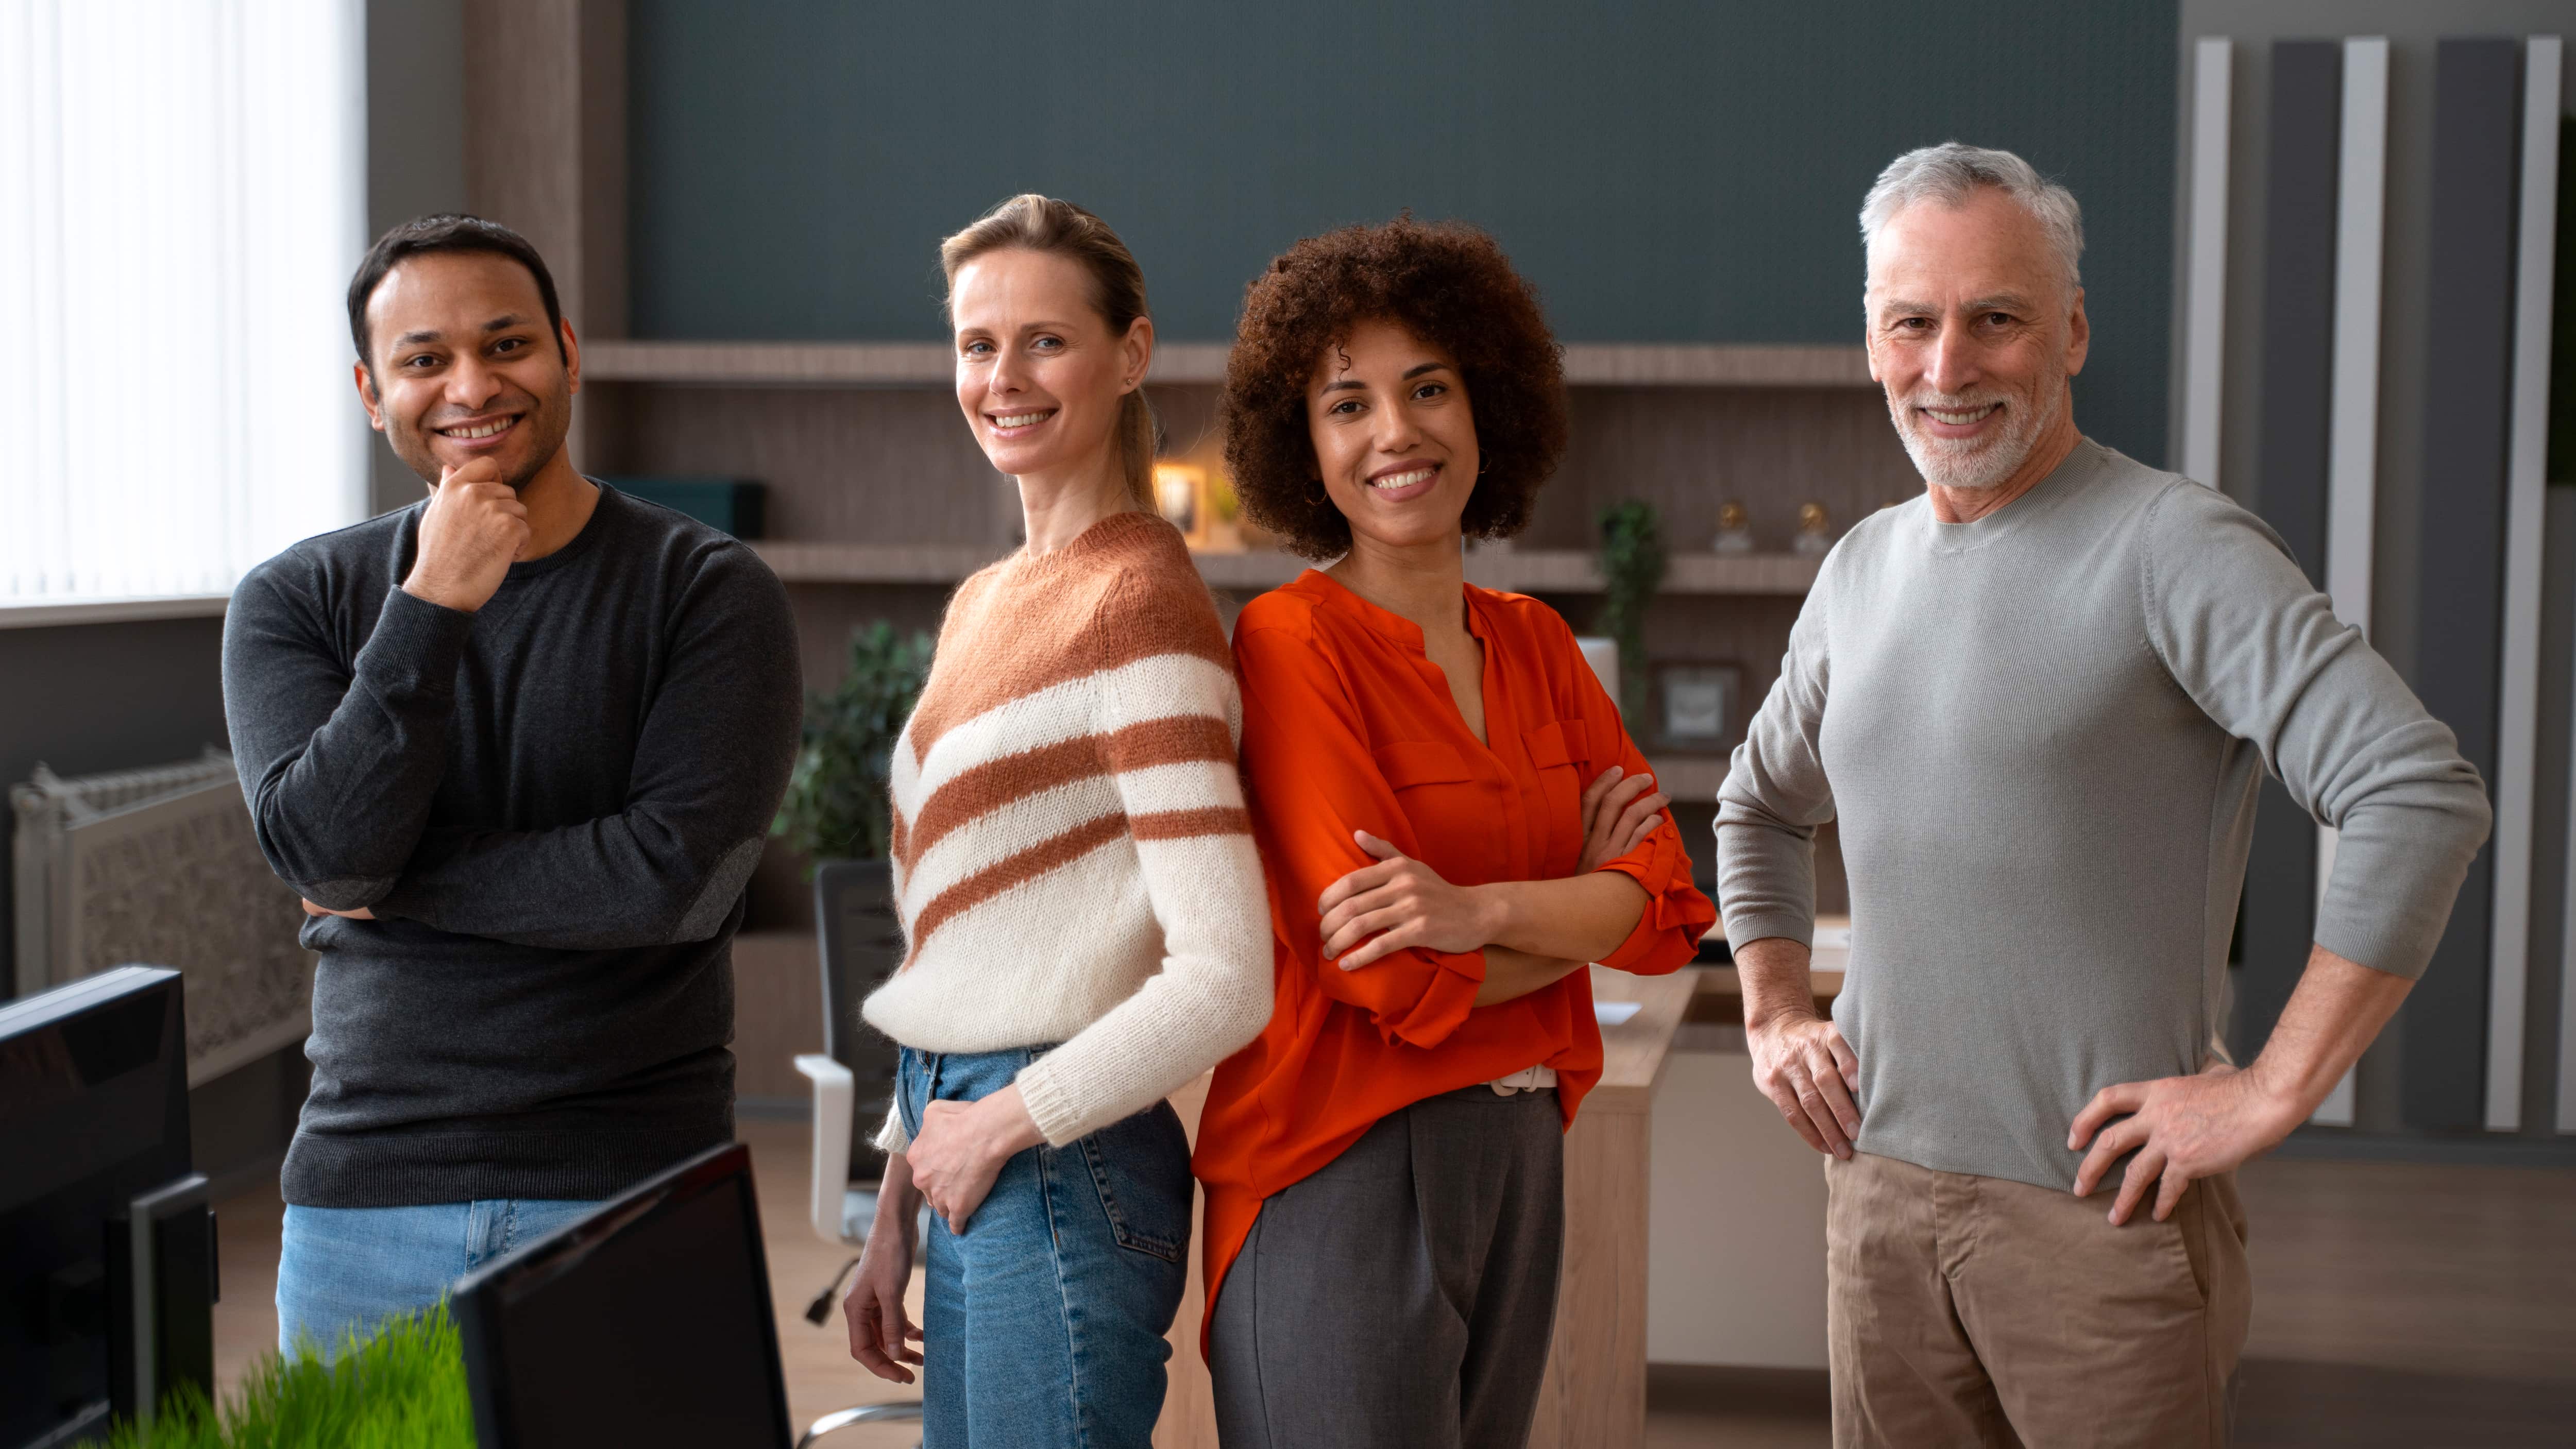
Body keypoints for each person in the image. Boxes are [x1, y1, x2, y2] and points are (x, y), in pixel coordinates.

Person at [1717, 143, 2492, 1447]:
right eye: (1911, 323)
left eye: (1996, 319)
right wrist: (1775, 1011)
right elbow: (1755, 807)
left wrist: (2270, 1091)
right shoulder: (1857, 570)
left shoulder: (2172, 545)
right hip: (1877, 1210)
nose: (1947, 367)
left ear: (2071, 332)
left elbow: (2414, 793)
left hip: (2098, 1222)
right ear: (1871, 341)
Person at [223, 214, 803, 1354]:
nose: (471, 386)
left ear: (567, 352)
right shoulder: (296, 601)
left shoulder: (709, 590)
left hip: (632, 1188)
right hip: (366, 1203)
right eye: (424, 359)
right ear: (371, 392)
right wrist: (431, 604)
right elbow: (329, 851)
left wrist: (390, 885)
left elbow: (672, 886)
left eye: (506, 345)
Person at [1193, 218, 1718, 1448]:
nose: (1396, 432)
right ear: (1303, 443)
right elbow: (1389, 974)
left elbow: (1666, 907)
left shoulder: (1538, 641)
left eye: (1427, 388)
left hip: (1521, 1148)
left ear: (1486, 403)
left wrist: (1479, 911)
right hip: (1338, 1159)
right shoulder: (1289, 644)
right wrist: (1577, 908)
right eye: (1347, 404)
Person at [836, 194, 1273, 1447]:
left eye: (1045, 341)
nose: (1003, 379)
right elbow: (955, 948)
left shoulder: (1137, 604)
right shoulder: (988, 599)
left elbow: (1228, 977)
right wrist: (893, 1204)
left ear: (1130, 354)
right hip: (964, 1141)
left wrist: (996, 1128)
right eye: (977, 345)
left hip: (1059, 1160)